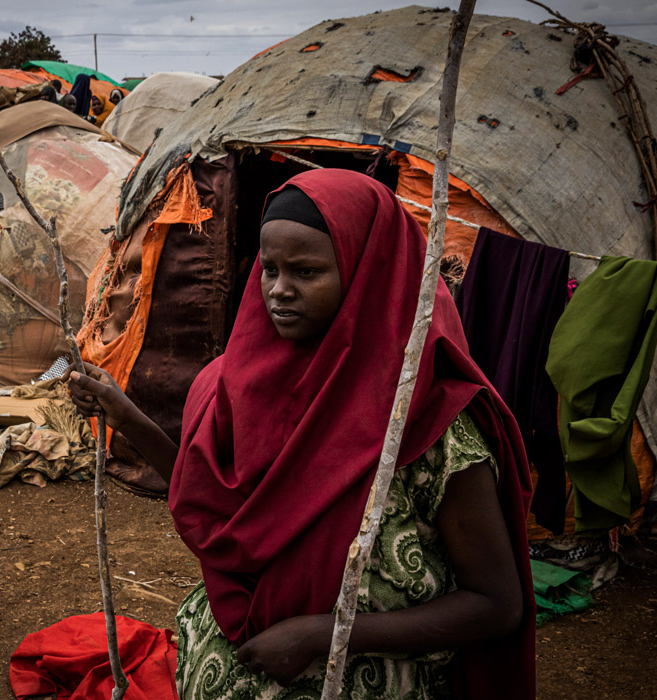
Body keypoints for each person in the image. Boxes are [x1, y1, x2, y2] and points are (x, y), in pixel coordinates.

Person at [64, 169, 535, 699]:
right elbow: (218, 501)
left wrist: (323, 635)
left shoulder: (428, 419)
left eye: (307, 272)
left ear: (367, 274)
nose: (280, 291)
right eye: (269, 270)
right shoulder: (238, 382)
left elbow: (497, 603)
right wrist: (126, 415)